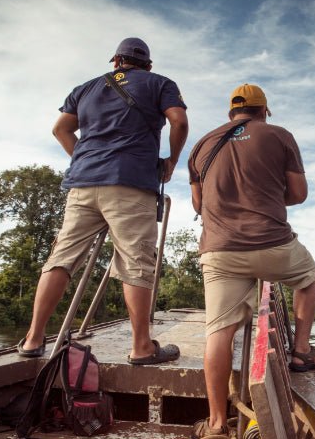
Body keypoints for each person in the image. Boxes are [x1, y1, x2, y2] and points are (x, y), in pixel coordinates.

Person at [17, 37, 189, 365]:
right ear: (148, 65)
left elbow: (61, 129)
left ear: (116, 61)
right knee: (136, 263)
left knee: (62, 258)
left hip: (82, 185)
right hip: (131, 183)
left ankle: (32, 339)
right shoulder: (160, 83)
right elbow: (179, 121)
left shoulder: (84, 89)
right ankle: (141, 347)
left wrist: (83, 158)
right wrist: (171, 161)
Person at [187, 83, 315, 436]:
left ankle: (217, 422)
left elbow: (197, 204)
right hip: (271, 245)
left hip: (220, 252)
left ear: (230, 113)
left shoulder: (202, 145)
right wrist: (265, 192)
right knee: (308, 280)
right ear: (263, 111)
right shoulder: (279, 135)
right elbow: (298, 194)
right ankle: (300, 352)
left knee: (218, 332)